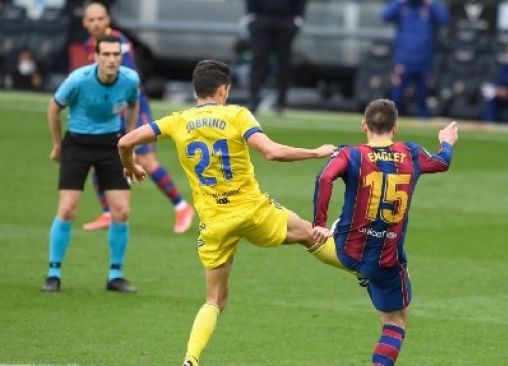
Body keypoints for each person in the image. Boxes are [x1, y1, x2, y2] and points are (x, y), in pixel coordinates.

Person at [117, 60, 352, 366]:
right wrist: (317, 152)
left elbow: (124, 141)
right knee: (310, 235)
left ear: (196, 90)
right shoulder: (236, 115)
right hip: (253, 211)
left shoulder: (176, 121)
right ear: (223, 89)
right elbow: (271, 152)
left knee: (214, 300)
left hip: (214, 223)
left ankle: (191, 358)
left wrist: (130, 164)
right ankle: (366, 270)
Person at [312, 99, 458, 366]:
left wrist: (319, 222)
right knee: (396, 320)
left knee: (337, 230)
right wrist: (447, 141)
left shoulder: (351, 154)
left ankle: (357, 268)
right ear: (395, 127)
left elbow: (324, 178)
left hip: (346, 249)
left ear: (364, 126)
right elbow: (442, 162)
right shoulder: (411, 153)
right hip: (385, 259)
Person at [81, 1, 195, 233]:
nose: (96, 23)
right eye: (91, 20)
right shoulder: (88, 44)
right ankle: (108, 213)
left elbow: (128, 78)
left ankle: (182, 206)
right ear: (84, 23)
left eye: (100, 18)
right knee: (96, 160)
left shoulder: (119, 43)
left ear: (108, 19)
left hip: (131, 105)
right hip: (107, 109)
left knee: (146, 161)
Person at [42, 35, 140, 293]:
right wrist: (57, 145)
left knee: (121, 211)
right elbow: (53, 108)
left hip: (111, 145)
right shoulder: (78, 80)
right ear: (95, 57)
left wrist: (129, 138)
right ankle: (53, 273)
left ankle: (115, 276)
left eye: (115, 54)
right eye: (106, 54)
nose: (111, 59)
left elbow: (133, 102)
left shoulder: (130, 79)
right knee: (67, 209)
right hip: (78, 144)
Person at [381, 0, 449, 118]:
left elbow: (444, 19)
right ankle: (394, 125)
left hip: (424, 60)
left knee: (422, 97)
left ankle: (422, 124)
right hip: (403, 60)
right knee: (397, 97)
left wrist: (430, 2)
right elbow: (385, 16)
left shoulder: (429, 7)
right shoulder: (402, 6)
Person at [246, 0, 306, 114]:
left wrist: (299, 16)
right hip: (262, 18)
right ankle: (253, 100)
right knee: (258, 62)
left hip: (286, 20)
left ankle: (281, 103)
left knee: (284, 64)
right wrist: (251, 14)